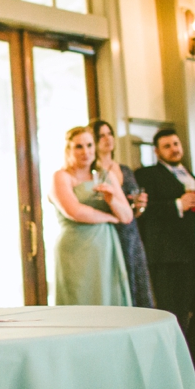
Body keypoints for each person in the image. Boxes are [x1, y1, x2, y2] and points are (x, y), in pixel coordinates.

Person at [135, 129, 195, 384]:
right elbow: (144, 213)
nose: (174, 148)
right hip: (173, 257)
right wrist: (177, 204)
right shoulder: (149, 175)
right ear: (157, 151)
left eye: (176, 143)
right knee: (175, 312)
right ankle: (175, 370)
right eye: (167, 146)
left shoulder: (191, 175)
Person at [49, 126, 133, 306]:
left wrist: (112, 201)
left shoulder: (106, 175)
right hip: (75, 249)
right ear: (69, 150)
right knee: (79, 301)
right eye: (79, 146)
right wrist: (110, 218)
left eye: (89, 145)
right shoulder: (61, 177)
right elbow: (75, 211)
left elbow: (126, 216)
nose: (85, 151)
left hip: (105, 248)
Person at [91, 119, 154, 308]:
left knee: (138, 284)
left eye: (109, 133)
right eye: (101, 135)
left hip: (131, 231)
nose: (107, 138)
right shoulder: (93, 170)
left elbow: (133, 209)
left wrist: (139, 205)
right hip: (109, 231)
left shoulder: (124, 169)